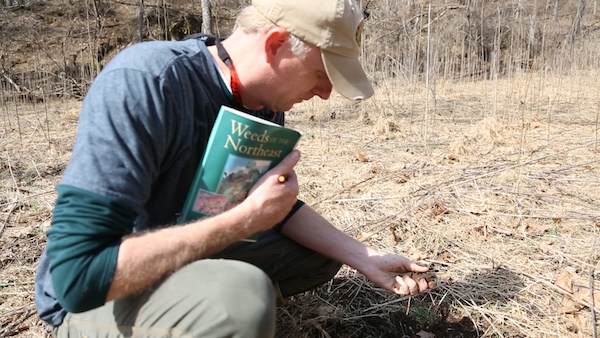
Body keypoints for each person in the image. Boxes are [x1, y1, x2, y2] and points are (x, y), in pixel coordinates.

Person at [34, 0, 434, 336]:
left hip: (180, 254)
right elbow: (77, 277)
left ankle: (207, 309)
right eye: (320, 73)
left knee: (323, 256)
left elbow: (257, 202)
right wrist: (243, 222)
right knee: (242, 295)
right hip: (93, 296)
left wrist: (362, 256)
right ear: (276, 45)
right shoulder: (147, 81)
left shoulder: (265, 105)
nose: (326, 93)